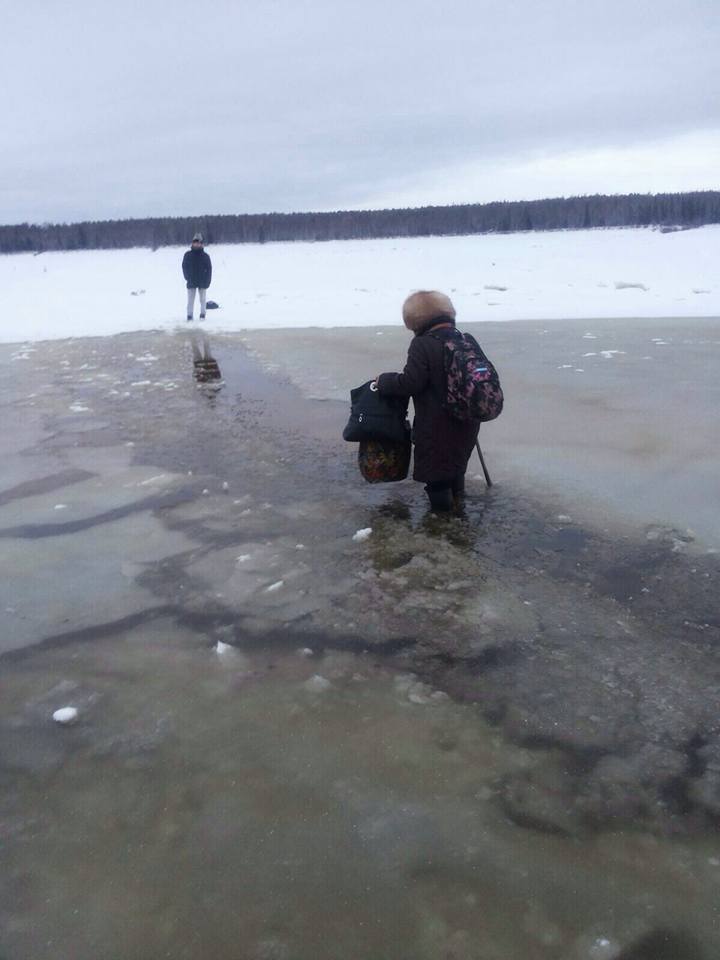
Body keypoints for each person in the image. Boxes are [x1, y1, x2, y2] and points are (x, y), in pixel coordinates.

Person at [375, 291, 480, 512]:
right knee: (455, 465)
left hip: (437, 424)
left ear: (414, 322)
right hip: (467, 419)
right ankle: (458, 508)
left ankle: (442, 520)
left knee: (437, 475)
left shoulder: (422, 344)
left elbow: (411, 382)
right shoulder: (464, 339)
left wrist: (384, 381)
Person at [182, 233, 212, 321]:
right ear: (192, 243)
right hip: (191, 280)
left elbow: (209, 269)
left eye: (199, 242)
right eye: (195, 242)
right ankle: (189, 315)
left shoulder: (205, 256)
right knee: (190, 300)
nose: (197, 244)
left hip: (202, 281)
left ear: (202, 244)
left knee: (203, 299)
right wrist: (187, 277)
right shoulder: (188, 255)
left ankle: (203, 315)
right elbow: (184, 266)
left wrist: (208, 281)